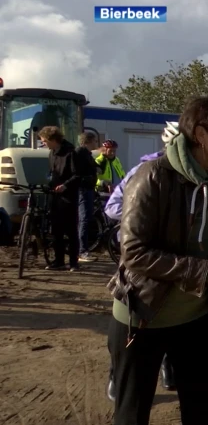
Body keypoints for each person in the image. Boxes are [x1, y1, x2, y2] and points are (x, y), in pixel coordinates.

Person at [106, 96, 208, 425]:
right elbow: (135, 253)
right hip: (142, 317)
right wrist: (207, 270)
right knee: (132, 414)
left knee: (201, 413)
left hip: (193, 317)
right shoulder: (151, 177)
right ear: (200, 135)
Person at [103, 121, 181, 401]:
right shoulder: (143, 171)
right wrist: (140, 214)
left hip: (173, 258)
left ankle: (168, 366)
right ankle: (117, 371)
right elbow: (111, 208)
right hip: (141, 256)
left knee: (173, 315)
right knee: (133, 315)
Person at [39, 126, 83, 271]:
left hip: (69, 197)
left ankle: (73, 262)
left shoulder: (71, 153)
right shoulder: (52, 153)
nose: (43, 143)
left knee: (71, 230)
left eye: (44, 140)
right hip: (55, 196)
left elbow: (77, 175)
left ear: (52, 139)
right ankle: (59, 261)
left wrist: (65, 185)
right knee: (56, 230)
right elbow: (52, 172)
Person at [76, 132, 99, 262]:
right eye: (94, 141)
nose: (96, 143)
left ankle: (82, 250)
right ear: (88, 141)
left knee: (86, 218)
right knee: (84, 219)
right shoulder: (80, 153)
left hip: (88, 189)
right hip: (83, 190)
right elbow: (77, 171)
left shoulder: (88, 154)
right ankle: (82, 251)